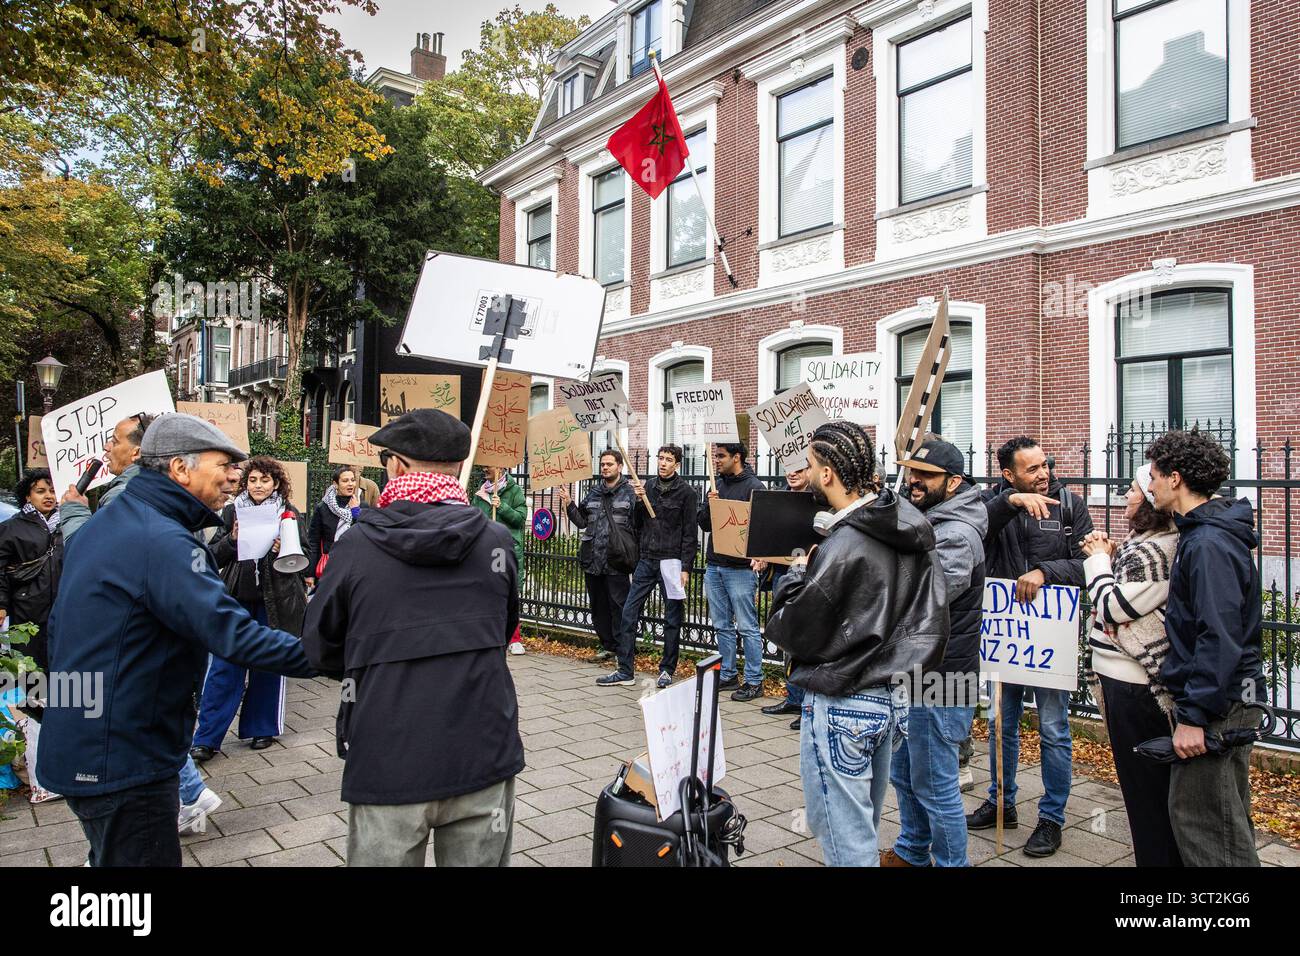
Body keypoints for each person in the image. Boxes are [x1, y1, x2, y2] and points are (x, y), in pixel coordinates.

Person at [37, 414, 312, 866]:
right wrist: (338, 654)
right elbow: (232, 634)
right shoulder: (161, 539)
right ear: (180, 469)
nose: (234, 477)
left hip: (89, 743)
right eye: (223, 464)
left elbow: (57, 632)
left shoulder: (112, 520)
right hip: (127, 758)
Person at [302, 409, 524, 867]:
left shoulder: (357, 547)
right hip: (483, 749)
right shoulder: (496, 541)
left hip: (389, 756)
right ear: (458, 468)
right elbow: (502, 630)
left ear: (398, 466)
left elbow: (320, 647)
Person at [765, 421, 948, 867]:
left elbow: (792, 630)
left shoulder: (844, 543)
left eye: (809, 466)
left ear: (827, 474)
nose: (806, 475)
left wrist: (794, 577)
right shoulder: (909, 527)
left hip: (844, 700)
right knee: (863, 822)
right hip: (892, 698)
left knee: (845, 838)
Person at [58, 412, 220, 833]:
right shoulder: (148, 505)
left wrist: (74, 515)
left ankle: (185, 794)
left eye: (113, 440)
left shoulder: (124, 502)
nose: (105, 448)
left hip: (122, 712)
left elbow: (84, 557)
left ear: (137, 451)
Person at [967, 435, 1092, 858]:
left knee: (1054, 730)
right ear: (1008, 474)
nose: (1044, 474)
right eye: (1033, 469)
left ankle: (1051, 818)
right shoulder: (990, 502)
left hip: (1047, 641)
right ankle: (1002, 802)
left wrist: (1043, 571)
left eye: (1046, 465)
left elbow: (1087, 564)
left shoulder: (1071, 505)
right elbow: (971, 539)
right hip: (1004, 641)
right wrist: (1009, 504)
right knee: (1002, 726)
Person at [1146, 429, 1264, 867]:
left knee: (1207, 828)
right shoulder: (1203, 535)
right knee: (1223, 821)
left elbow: (1218, 636)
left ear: (1175, 478)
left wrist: (1194, 717)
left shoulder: (1209, 543)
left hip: (1219, 707)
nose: (1149, 484)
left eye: (1154, 475)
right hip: (1224, 701)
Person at [882, 439, 987, 867]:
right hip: (920, 667)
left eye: (926, 475)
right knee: (904, 772)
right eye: (911, 472)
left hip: (945, 675)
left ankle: (950, 863)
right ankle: (911, 850)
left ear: (954, 481)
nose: (915, 481)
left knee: (935, 783)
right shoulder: (930, 517)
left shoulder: (957, 533)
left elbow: (926, 595)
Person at [1079, 463, 1182, 866]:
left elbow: (1111, 606)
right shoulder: (1145, 544)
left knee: (1146, 793)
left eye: (1134, 489)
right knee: (1141, 789)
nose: (1126, 495)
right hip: (1123, 683)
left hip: (1135, 687)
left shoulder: (1156, 550)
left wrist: (1099, 560)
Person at [190, 457, 308, 760]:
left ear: (276, 483)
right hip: (236, 599)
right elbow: (211, 555)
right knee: (223, 668)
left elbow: (304, 553)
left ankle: (262, 728)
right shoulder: (232, 512)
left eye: (265, 480)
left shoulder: (289, 513)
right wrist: (232, 540)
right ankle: (207, 737)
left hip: (275, 600)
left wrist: (288, 549)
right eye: (253, 480)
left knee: (269, 664)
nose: (258, 486)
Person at [0, 468, 64, 803]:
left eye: (52, 490)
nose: (48, 496)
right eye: (41, 491)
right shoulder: (11, 530)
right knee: (32, 690)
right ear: (28, 495)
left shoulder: (68, 524)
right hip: (28, 620)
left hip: (64, 617)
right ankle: (41, 777)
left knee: (70, 689)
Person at [558, 450, 638, 686]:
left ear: (620, 467)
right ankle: (608, 646)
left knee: (620, 610)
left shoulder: (631, 493)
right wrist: (569, 504)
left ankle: (623, 653)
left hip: (617, 562)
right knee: (598, 607)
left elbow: (638, 525)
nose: (605, 468)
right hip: (593, 559)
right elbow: (582, 520)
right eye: (602, 464)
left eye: (609, 464)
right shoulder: (593, 492)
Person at [621, 445, 697, 688]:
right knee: (629, 612)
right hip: (647, 559)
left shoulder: (686, 492)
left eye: (668, 459)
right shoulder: (648, 487)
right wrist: (638, 501)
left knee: (672, 617)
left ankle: (667, 669)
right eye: (660, 458)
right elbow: (635, 524)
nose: (663, 463)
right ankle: (625, 668)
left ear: (677, 464)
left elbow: (689, 533)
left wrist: (686, 566)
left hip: (672, 562)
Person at [699, 442, 767, 701]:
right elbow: (704, 525)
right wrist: (710, 504)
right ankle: (727, 673)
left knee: (747, 626)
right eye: (715, 456)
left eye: (721, 456)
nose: (716, 460)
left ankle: (754, 679)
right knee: (721, 625)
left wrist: (759, 557)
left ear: (736, 457)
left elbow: (761, 527)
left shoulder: (754, 488)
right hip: (715, 564)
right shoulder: (717, 485)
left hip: (740, 569)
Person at [756, 466, 811, 729]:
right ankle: (793, 697)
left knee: (806, 640)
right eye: (789, 469)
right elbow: (769, 533)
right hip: (782, 575)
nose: (793, 473)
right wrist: (762, 553)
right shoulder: (778, 498)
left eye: (800, 468)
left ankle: (807, 705)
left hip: (808, 577)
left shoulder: (817, 501)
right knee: (785, 637)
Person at [57, 413, 155, 537]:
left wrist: (74, 510)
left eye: (115, 442)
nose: (106, 447)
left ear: (136, 453)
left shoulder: (124, 497)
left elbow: (90, 551)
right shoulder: (164, 488)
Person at [472, 464, 528, 655]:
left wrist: (501, 506)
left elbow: (520, 519)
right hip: (484, 548)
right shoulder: (480, 493)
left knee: (506, 591)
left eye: (489, 466)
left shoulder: (515, 491)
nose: (484, 469)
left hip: (503, 549)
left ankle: (514, 639)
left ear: (500, 466)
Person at [306, 465, 368, 587]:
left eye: (352, 480)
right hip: (330, 566)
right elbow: (313, 541)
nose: (350, 484)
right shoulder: (323, 508)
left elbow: (367, 535)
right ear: (335, 484)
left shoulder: (362, 507)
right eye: (345, 481)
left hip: (354, 566)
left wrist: (356, 512)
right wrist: (310, 573)